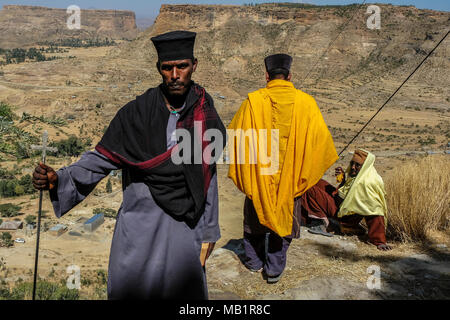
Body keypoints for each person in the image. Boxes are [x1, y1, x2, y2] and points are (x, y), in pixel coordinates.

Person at [32, 30, 227, 299]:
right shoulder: (136, 113)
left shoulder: (205, 117)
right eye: (167, 68)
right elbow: (101, 158)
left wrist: (209, 230)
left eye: (181, 66)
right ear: (158, 69)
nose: (175, 74)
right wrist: (60, 179)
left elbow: (209, 179)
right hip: (138, 226)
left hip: (185, 228)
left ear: (194, 65)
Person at [228, 54, 338, 283]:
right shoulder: (306, 103)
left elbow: (235, 138)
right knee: (284, 223)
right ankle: (274, 269)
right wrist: (303, 173)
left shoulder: (252, 102)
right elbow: (321, 143)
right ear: (289, 76)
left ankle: (254, 262)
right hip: (292, 181)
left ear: (267, 76)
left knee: (253, 224)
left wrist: (249, 174)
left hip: (259, 177)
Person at [301, 149, 392, 251]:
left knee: (309, 188)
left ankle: (320, 222)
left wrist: (380, 241)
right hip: (342, 206)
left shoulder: (366, 183)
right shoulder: (360, 176)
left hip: (344, 218)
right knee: (317, 182)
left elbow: (375, 210)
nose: (353, 167)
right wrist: (343, 180)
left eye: (357, 165)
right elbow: (348, 196)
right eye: (352, 163)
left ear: (365, 166)